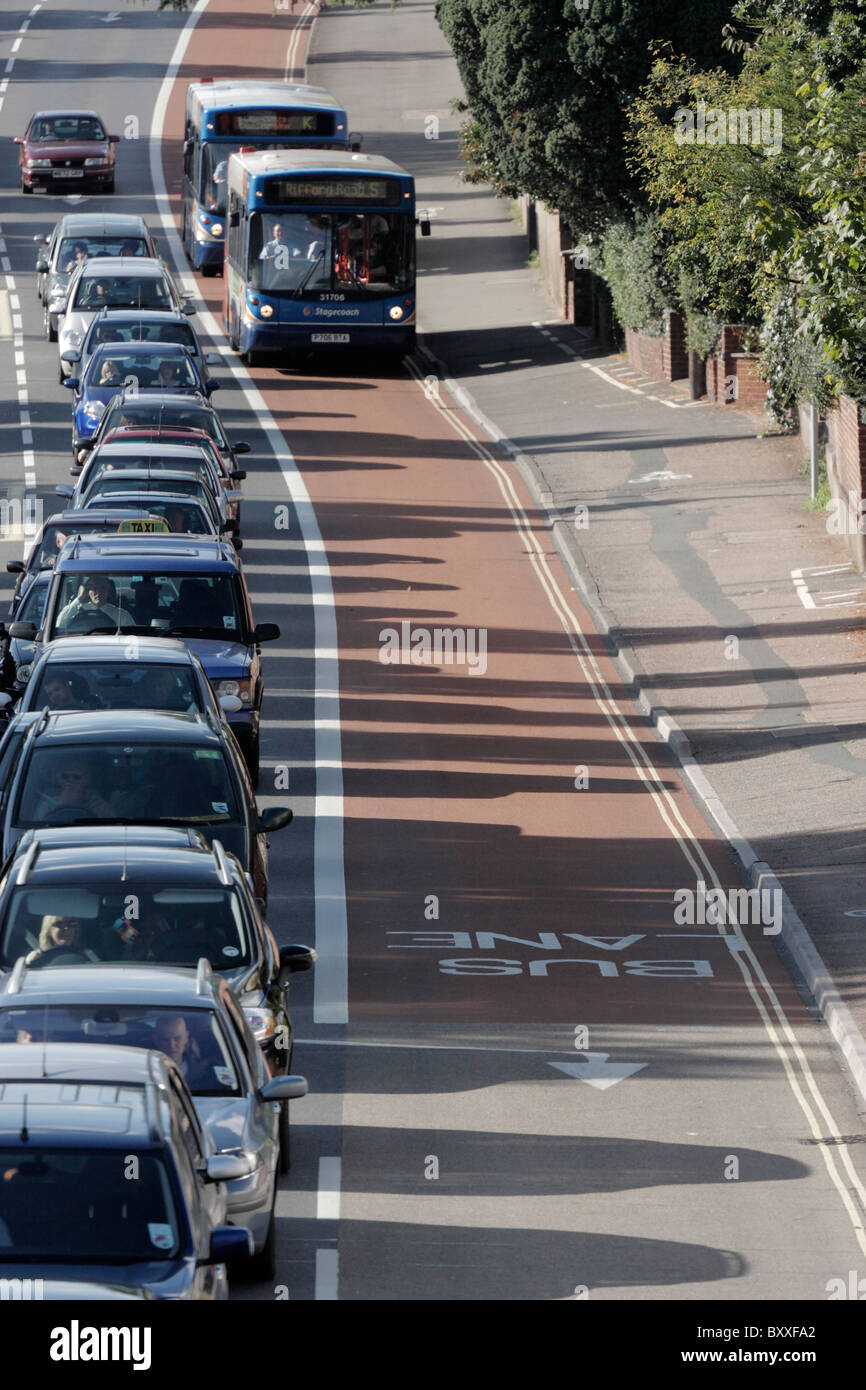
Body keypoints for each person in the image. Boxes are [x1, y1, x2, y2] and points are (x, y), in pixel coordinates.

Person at [56, 574, 134, 632]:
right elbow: (59, 624)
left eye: (102, 588)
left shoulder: (122, 615)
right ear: (87, 591)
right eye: (94, 588)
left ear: (109, 591)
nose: (98, 592)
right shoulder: (77, 610)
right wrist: (79, 598)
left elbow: (132, 636)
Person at [152, 1015, 203, 1082]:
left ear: (186, 1037)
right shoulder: (146, 1073)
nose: (171, 1045)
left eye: (177, 1038)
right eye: (165, 1040)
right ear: (156, 1039)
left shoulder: (203, 1074)